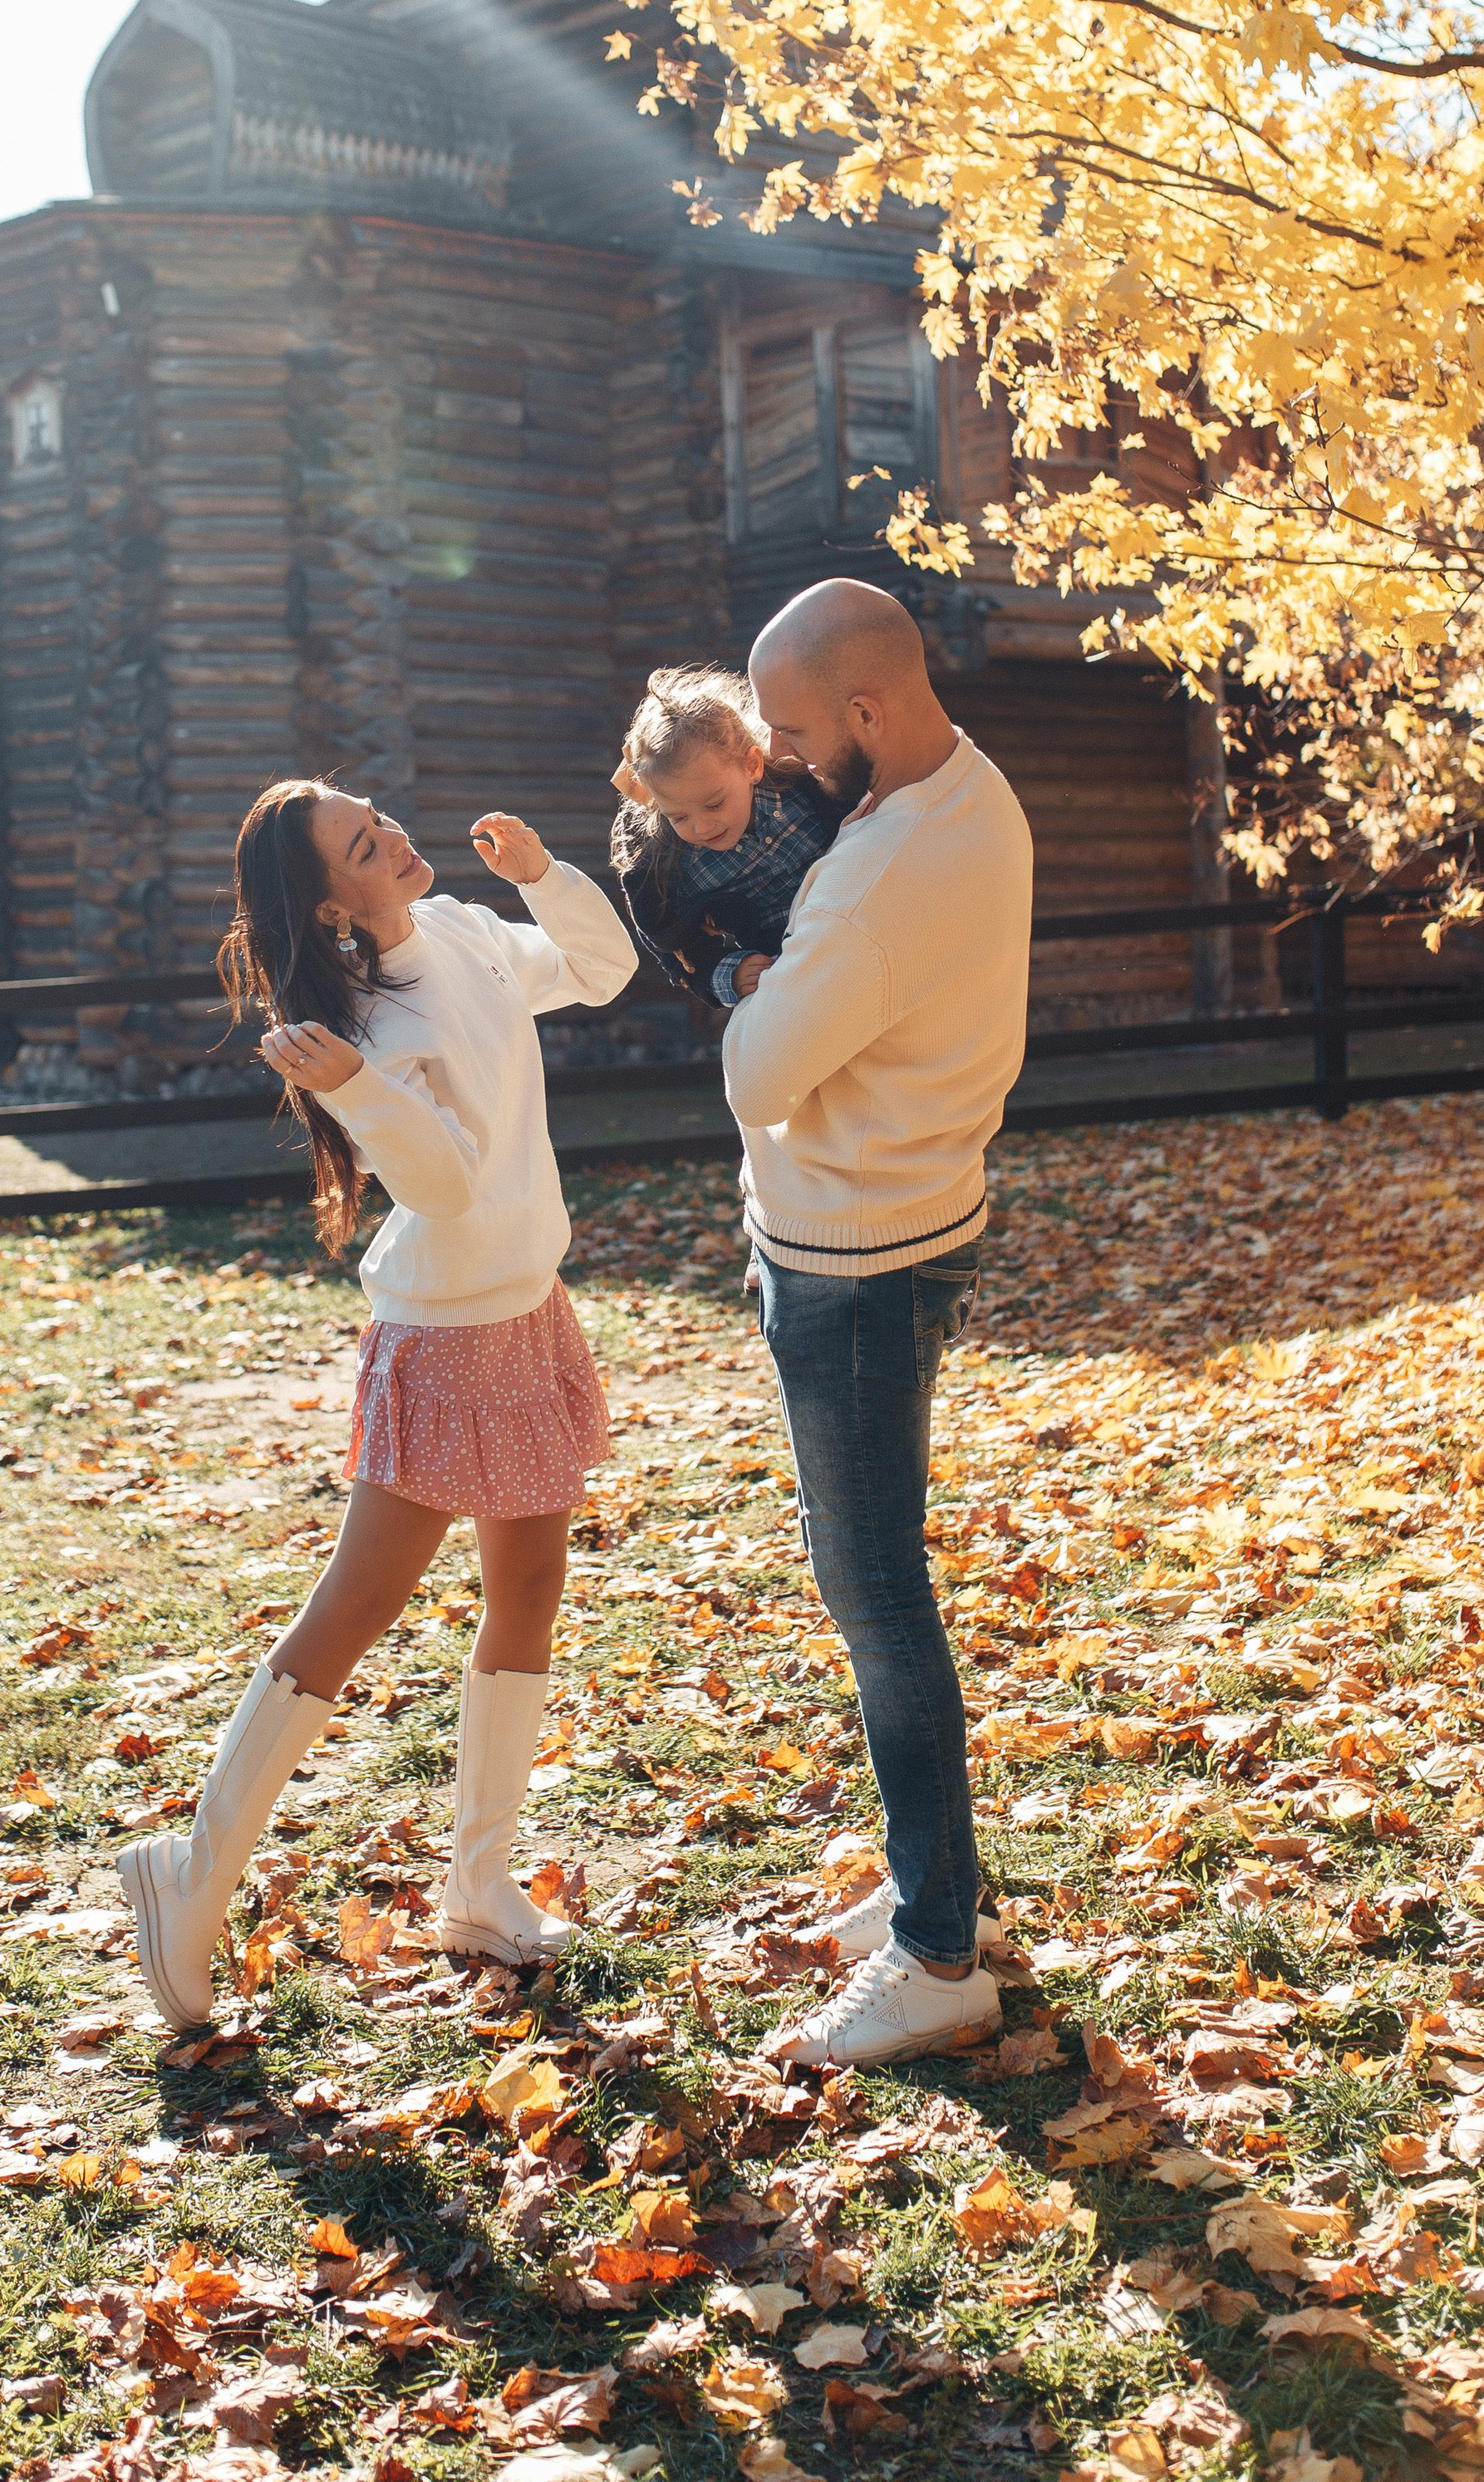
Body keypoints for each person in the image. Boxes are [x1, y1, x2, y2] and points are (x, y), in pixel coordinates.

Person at [117, 778, 637, 2028]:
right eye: (364, 846)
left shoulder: (461, 928)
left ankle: (480, 1887)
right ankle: (188, 1878)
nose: (394, 838)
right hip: (447, 1330)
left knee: (529, 1593)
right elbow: (446, 1189)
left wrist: (543, 875)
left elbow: (601, 969)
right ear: (332, 903)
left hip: (527, 1306)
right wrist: (357, 1084)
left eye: (380, 819)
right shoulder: (364, 1024)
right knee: (358, 1604)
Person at [721, 581, 1033, 2068]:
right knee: (884, 1578)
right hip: (923, 1213)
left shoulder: (875, 876)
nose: (776, 759)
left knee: (876, 1594)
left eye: (788, 730)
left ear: (864, 712)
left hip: (854, 1255)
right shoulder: (975, 791)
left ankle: (936, 1955)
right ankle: (940, 1881)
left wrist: (744, 987)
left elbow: (754, 1078)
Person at [608, 662, 845, 1006]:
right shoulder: (670, 863)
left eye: (715, 804)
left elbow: (867, 814)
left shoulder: (802, 788)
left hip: (850, 909)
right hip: (786, 968)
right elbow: (677, 947)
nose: (702, 827)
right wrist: (729, 972)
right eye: (678, 816)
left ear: (752, 765)